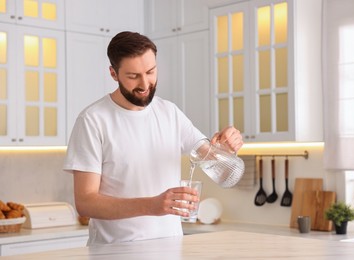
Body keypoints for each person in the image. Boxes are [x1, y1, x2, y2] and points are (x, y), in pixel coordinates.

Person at [63, 31, 243, 245]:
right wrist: (152, 206)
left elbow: (211, 155)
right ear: (113, 73)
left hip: (170, 249)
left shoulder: (170, 113)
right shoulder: (92, 120)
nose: (145, 84)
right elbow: (85, 202)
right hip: (114, 253)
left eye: (150, 72)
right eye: (133, 76)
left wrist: (227, 144)